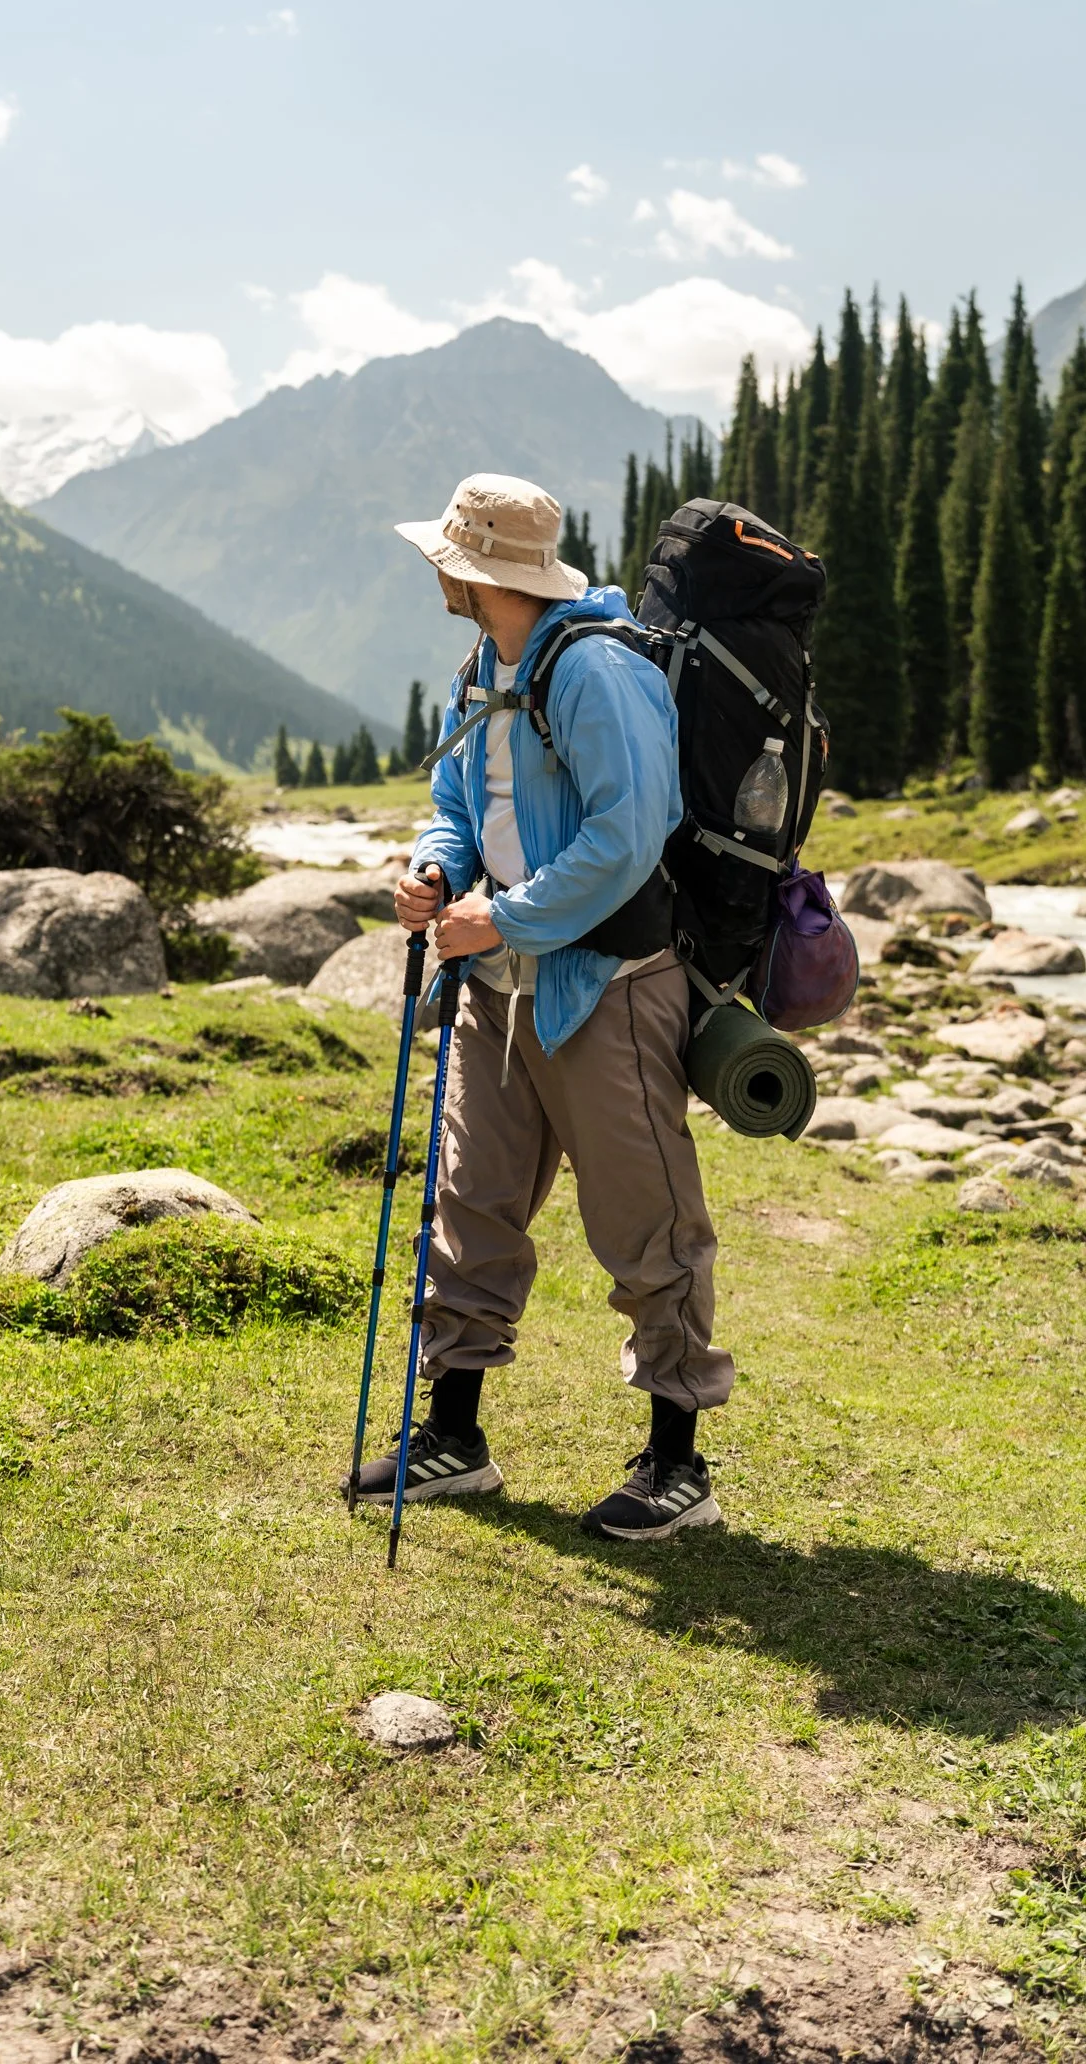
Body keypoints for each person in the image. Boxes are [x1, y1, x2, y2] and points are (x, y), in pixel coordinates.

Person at [343, 471, 733, 1541]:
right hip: (493, 989)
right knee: (467, 1209)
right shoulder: (484, 667)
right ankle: (454, 1436)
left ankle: (676, 1464)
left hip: (605, 988)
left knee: (648, 1228)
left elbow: (626, 834)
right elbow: (457, 802)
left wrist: (503, 917)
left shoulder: (596, 669)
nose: (438, 575)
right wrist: (436, 869)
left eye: (447, 561)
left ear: (478, 572)